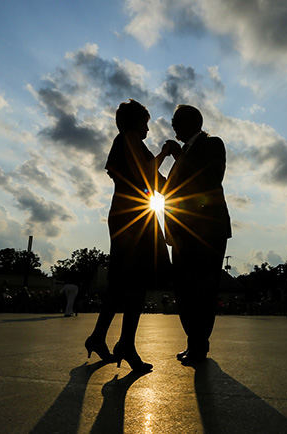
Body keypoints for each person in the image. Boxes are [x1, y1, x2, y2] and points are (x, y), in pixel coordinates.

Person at [84, 99, 172, 373]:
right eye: (146, 122)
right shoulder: (125, 141)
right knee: (135, 282)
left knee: (122, 283)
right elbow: (145, 174)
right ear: (136, 122)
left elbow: (160, 184)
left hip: (135, 215)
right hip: (131, 218)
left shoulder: (136, 145)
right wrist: (166, 153)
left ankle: (99, 337)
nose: (148, 128)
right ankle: (126, 344)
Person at [162, 105, 231, 365]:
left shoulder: (212, 144)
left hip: (207, 230)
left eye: (176, 123)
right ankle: (193, 341)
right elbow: (168, 193)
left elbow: (210, 179)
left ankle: (199, 346)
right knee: (183, 290)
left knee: (203, 289)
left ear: (190, 123)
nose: (173, 128)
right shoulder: (183, 156)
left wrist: (179, 156)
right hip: (181, 232)